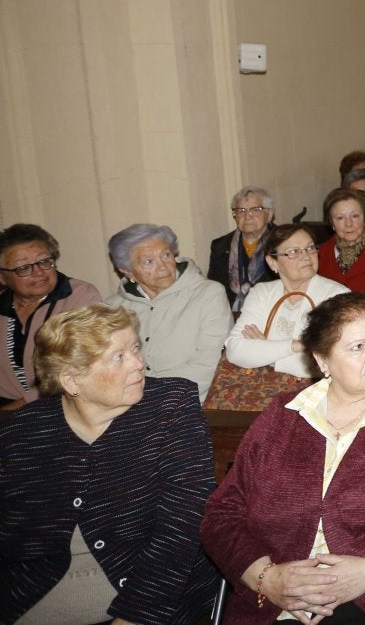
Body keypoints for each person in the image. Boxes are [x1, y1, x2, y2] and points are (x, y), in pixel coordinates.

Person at [202, 294, 365, 624]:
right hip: (280, 598)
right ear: (322, 360)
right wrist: (267, 578)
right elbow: (221, 514)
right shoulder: (284, 414)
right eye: (357, 347)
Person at [0, 304, 219, 623]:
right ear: (72, 381)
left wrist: (135, 617)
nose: (139, 363)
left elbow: (181, 526)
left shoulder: (171, 406)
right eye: (118, 357)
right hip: (30, 597)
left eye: (135, 348)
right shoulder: (22, 431)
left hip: (141, 598)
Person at [106, 223, 231, 400]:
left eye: (166, 255)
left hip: (191, 404)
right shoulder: (112, 308)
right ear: (127, 271)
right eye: (149, 262)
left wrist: (152, 398)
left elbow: (210, 364)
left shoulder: (208, 294)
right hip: (128, 405)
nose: (163, 267)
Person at [0, 223, 103, 406]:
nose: (39, 272)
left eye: (44, 261)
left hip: (61, 406)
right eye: (23, 268)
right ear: (2, 277)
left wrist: (18, 407)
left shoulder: (79, 296)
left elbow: (81, 365)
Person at [227, 224, 350, 377]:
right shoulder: (261, 293)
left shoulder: (336, 295)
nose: (306, 256)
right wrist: (297, 346)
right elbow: (235, 350)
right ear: (272, 262)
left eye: (310, 248)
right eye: (293, 252)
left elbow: (332, 362)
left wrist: (267, 354)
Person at [208, 185, 279, 313]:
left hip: (272, 313)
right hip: (230, 316)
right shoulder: (220, 246)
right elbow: (214, 290)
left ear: (269, 214)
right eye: (241, 211)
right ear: (235, 216)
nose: (248, 216)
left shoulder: (283, 242)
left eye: (256, 209)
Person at [318, 187, 365, 293]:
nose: (348, 224)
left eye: (355, 216)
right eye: (340, 218)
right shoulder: (319, 256)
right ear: (332, 223)